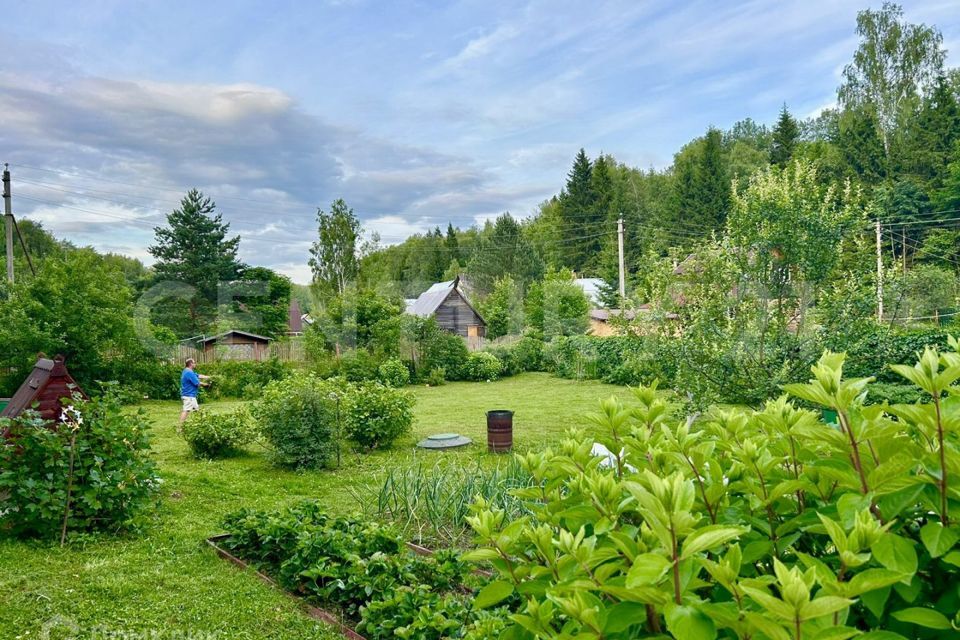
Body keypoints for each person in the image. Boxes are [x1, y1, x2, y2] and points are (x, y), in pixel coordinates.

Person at [179, 358, 210, 426]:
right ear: (191, 364)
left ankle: (201, 425)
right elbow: (197, 383)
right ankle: (180, 427)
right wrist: (206, 385)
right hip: (189, 395)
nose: (195, 364)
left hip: (189, 395)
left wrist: (209, 377)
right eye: (194, 363)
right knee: (186, 410)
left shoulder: (187, 371)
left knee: (197, 410)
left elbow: (198, 376)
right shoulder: (189, 372)